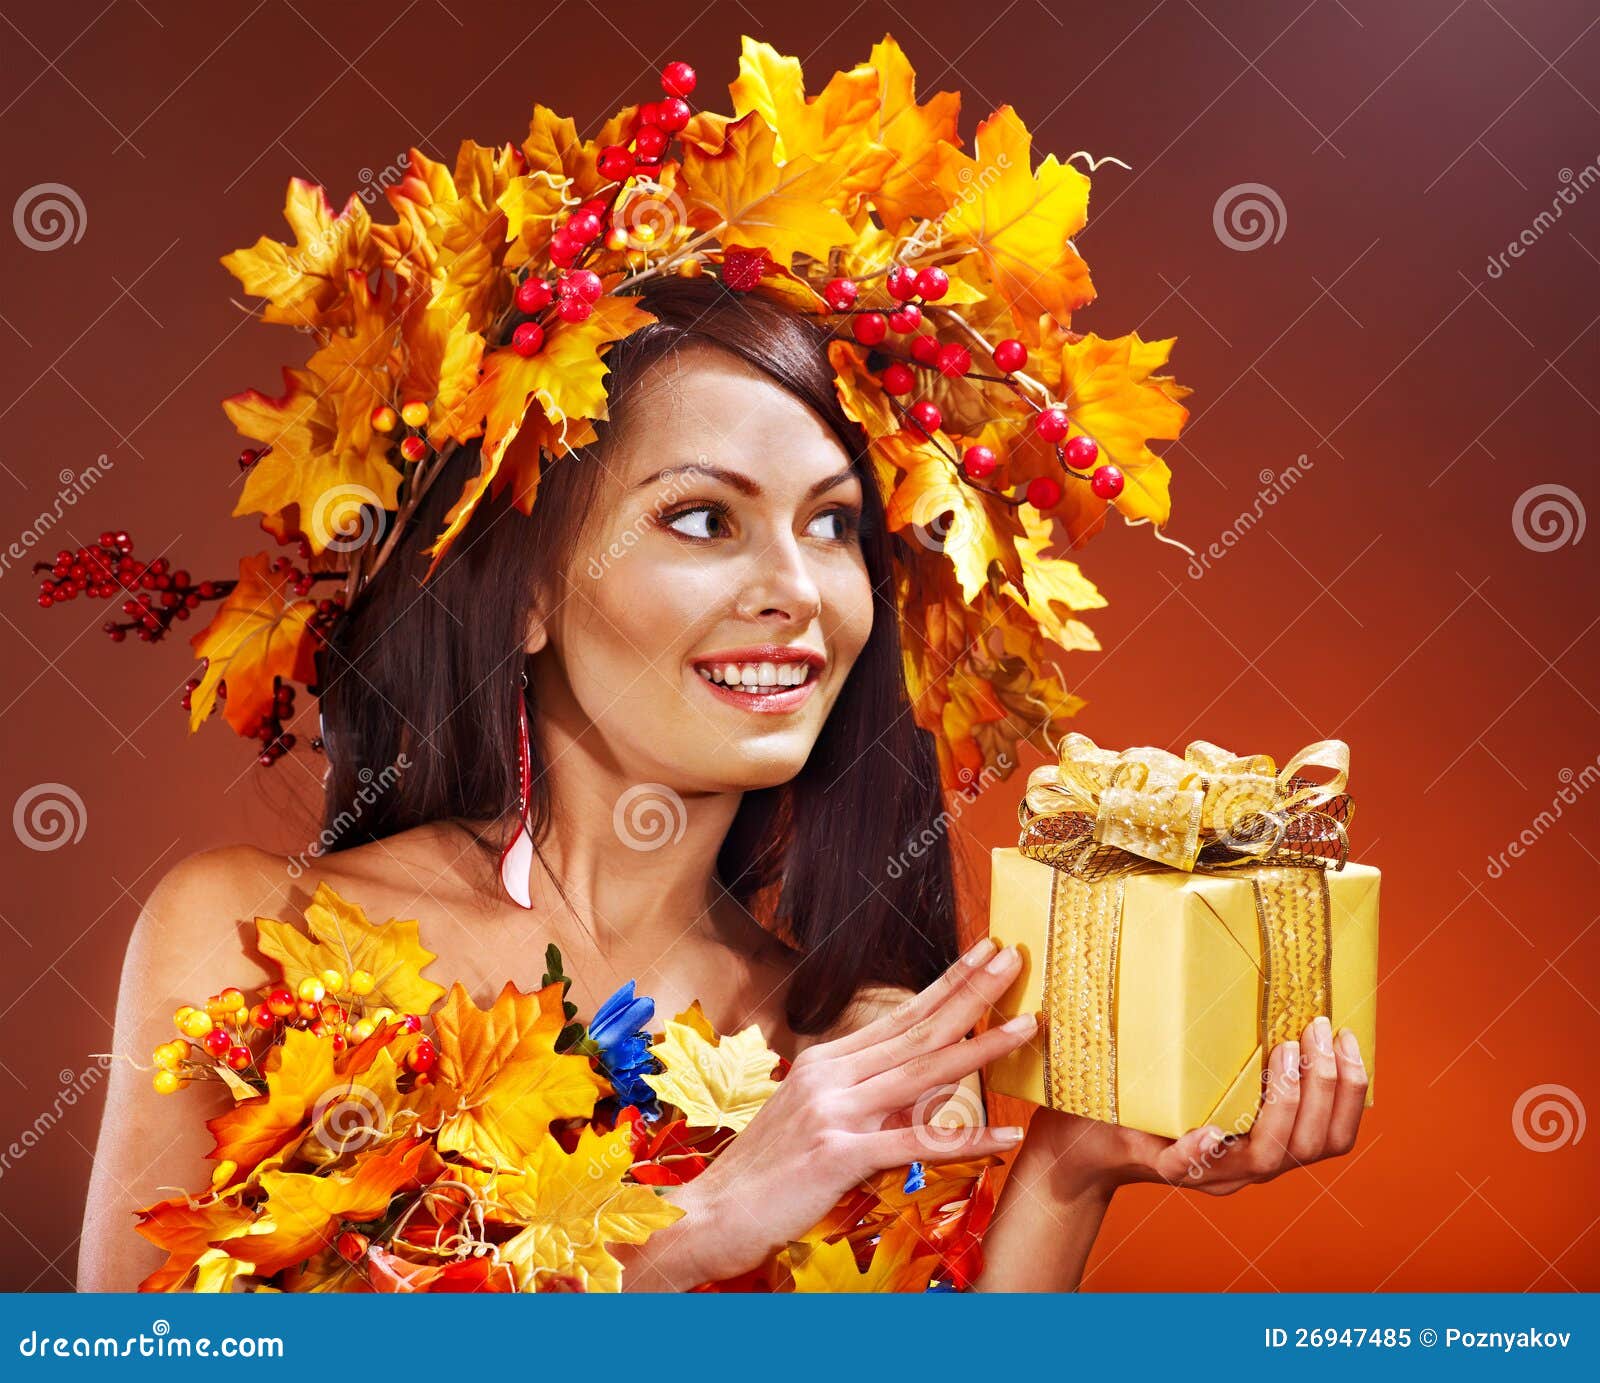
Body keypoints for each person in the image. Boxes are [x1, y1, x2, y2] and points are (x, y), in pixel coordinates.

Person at [77, 277, 1367, 1292]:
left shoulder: (849, 1043)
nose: (797, 594)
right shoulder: (252, 936)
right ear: (523, 589)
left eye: (833, 523)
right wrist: (689, 1230)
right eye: (704, 518)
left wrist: (1069, 1174)